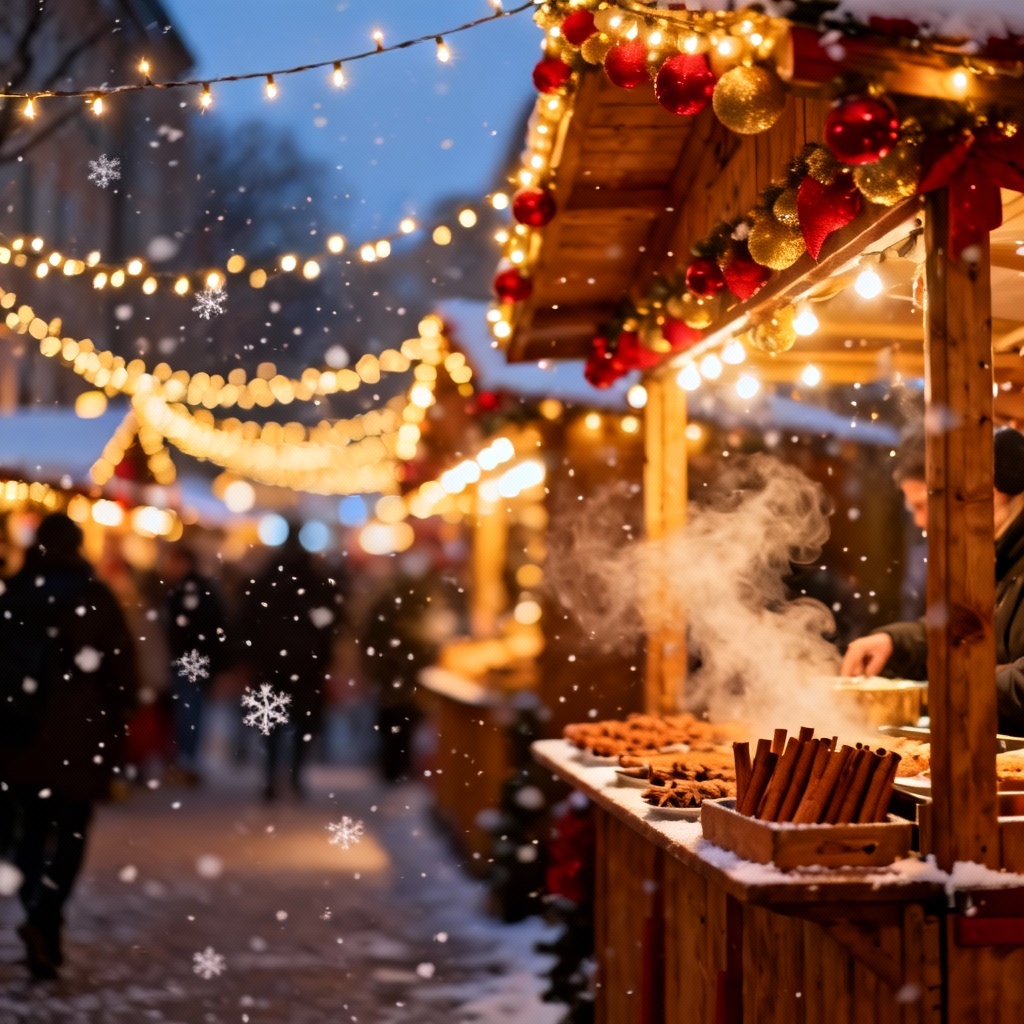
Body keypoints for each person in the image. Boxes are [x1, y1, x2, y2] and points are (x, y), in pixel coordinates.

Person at [0, 513, 137, 979]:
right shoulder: (95, 598)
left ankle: (36, 908)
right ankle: (47, 915)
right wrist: (122, 714)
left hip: (22, 734)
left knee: (31, 831)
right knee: (72, 832)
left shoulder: (15, 595)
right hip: (81, 736)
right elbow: (123, 671)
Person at [840, 427, 1024, 734]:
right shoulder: (991, 554)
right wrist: (894, 642)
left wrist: (954, 686)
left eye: (924, 505)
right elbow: (963, 630)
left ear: (990, 488)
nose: (921, 522)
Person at [241, 531, 344, 800]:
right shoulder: (315, 584)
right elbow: (329, 622)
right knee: (303, 725)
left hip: (271, 665)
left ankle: (270, 777)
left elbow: (249, 621)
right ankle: (295, 776)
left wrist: (253, 655)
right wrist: (322, 652)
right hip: (306, 667)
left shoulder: (267, 582)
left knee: (271, 725)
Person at [163, 543, 227, 785]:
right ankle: (186, 759)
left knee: (188, 710)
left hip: (189, 659)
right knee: (191, 710)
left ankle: (185, 760)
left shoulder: (186, 590)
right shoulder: (200, 589)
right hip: (195, 659)